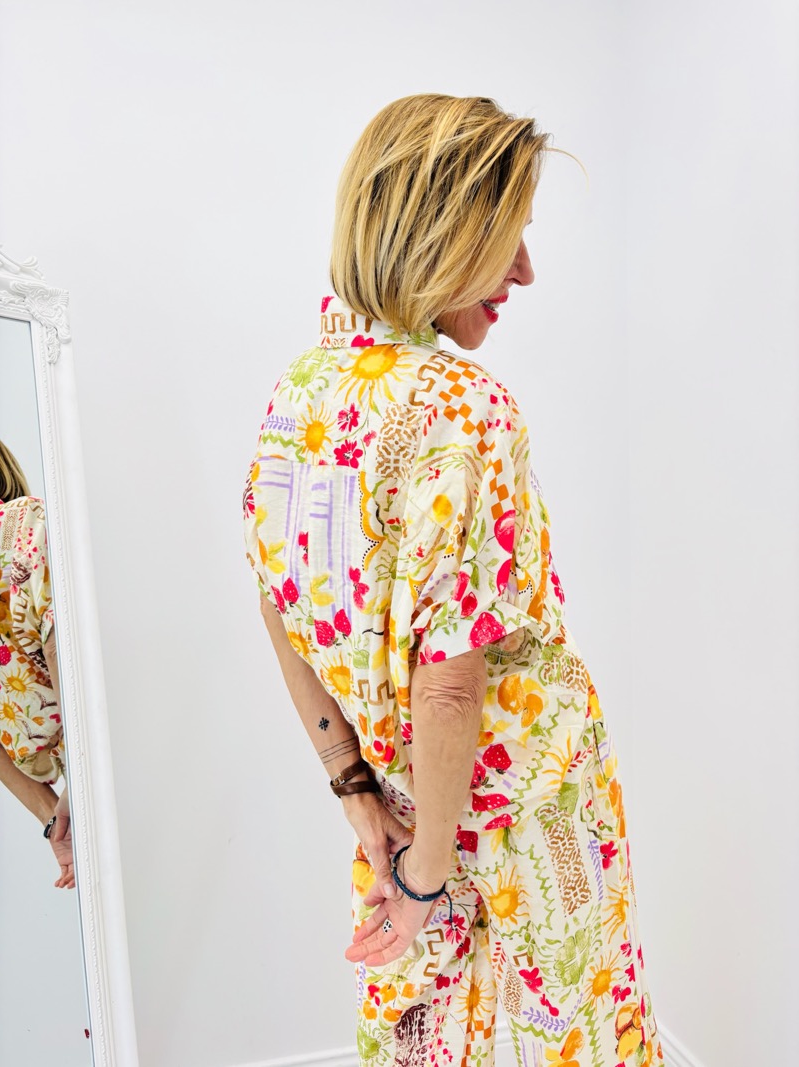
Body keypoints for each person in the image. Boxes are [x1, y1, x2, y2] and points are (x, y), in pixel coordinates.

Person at [244, 94, 664, 1066]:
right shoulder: (468, 407)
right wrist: (427, 875)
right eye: (507, 236)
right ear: (441, 230)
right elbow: (447, 681)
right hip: (526, 809)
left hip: (401, 806)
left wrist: (361, 798)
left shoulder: (296, 400)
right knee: (578, 1040)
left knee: (423, 1041)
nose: (525, 269)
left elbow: (282, 610)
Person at [0, 439, 74, 889]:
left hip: (96, 756)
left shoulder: (20, 523)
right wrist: (64, 811)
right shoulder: (24, 521)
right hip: (97, 754)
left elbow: (58, 645)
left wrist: (61, 809)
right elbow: (56, 645)